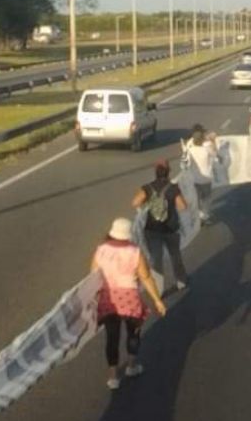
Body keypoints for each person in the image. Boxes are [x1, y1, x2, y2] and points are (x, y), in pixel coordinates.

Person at [92, 217, 166, 390]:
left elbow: (94, 275)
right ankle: (131, 366)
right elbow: (146, 277)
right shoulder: (135, 252)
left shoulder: (101, 250)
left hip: (108, 298)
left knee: (112, 337)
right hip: (130, 298)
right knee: (133, 333)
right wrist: (157, 300)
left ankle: (112, 377)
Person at [132, 159, 189, 291]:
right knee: (175, 256)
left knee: (156, 261)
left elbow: (135, 203)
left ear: (155, 172)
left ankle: (158, 288)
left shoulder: (147, 188)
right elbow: (182, 206)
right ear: (168, 172)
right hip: (171, 229)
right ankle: (181, 281)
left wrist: (149, 205)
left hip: (152, 230)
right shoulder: (173, 188)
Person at [181, 123, 218, 223]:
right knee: (206, 199)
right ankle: (204, 216)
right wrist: (213, 141)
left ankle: (199, 216)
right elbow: (215, 154)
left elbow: (185, 163)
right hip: (206, 179)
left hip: (195, 180)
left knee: (196, 199)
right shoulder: (207, 147)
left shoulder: (190, 148)